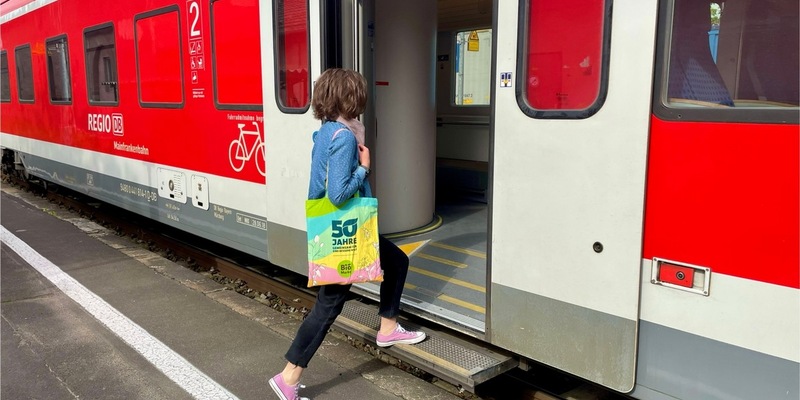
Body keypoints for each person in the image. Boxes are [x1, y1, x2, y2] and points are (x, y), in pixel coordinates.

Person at [269, 68, 426, 400]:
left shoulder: (327, 131)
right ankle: (289, 376)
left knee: (396, 262)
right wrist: (364, 168)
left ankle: (387, 327)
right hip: (344, 230)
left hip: (341, 228)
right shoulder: (343, 138)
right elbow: (338, 194)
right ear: (348, 98)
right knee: (328, 305)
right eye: (357, 94)